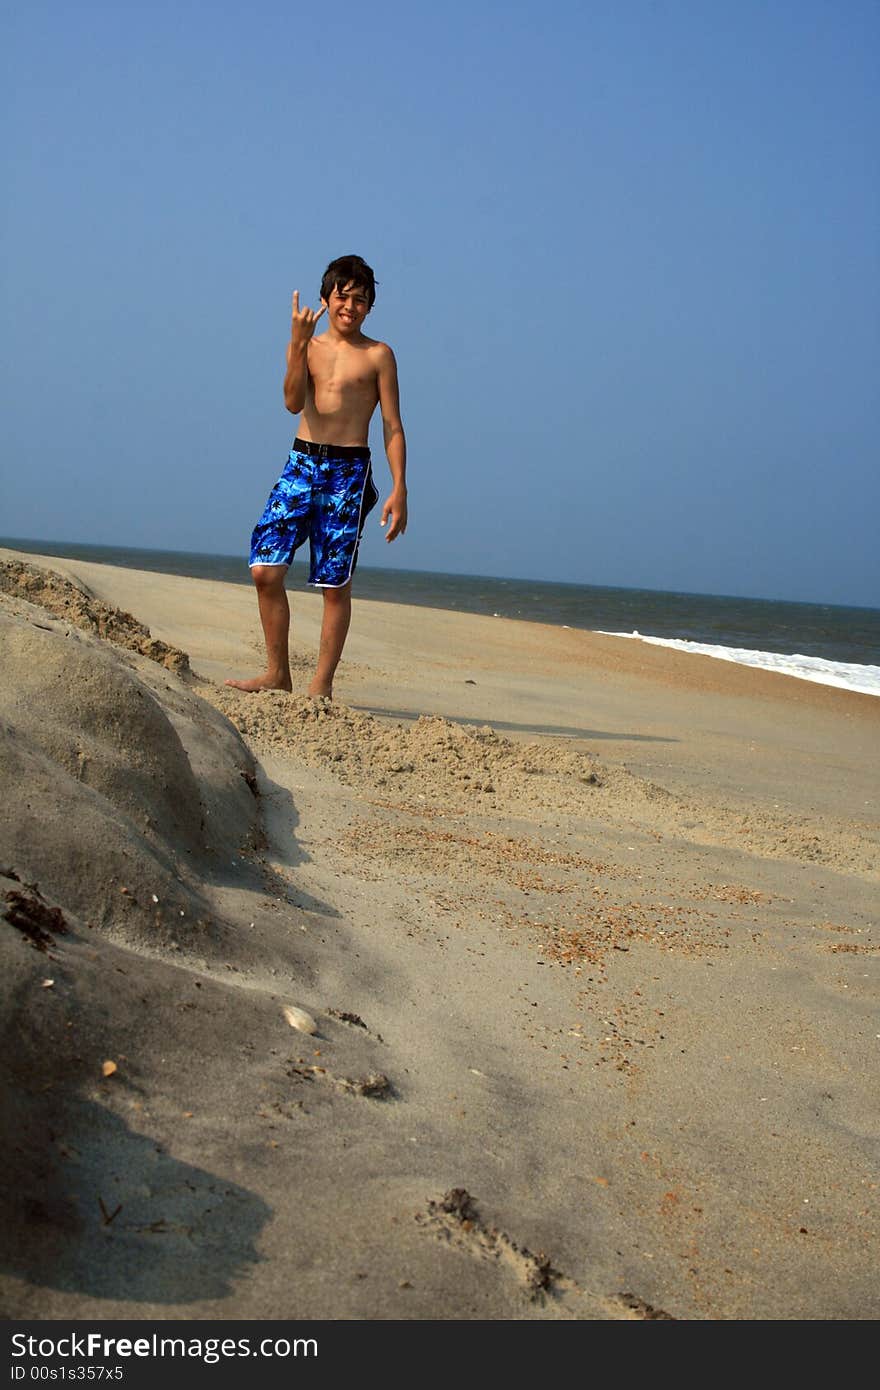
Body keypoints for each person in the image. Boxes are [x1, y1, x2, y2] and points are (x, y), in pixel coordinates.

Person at [226, 254, 407, 700]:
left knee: (334, 582)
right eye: (343, 296)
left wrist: (400, 487)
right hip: (302, 463)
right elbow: (291, 402)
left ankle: (320, 687)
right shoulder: (308, 346)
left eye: (361, 299)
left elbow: (391, 425)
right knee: (265, 570)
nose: (351, 306)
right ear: (326, 298)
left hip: (349, 471)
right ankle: (276, 673)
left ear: (370, 307)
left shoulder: (379, 355)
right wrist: (295, 342)